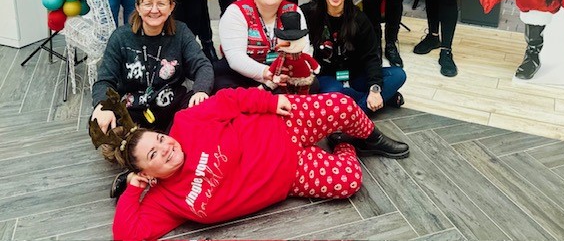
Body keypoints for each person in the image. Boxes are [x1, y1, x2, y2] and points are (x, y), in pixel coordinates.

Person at [96, 88, 408, 240]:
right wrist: (131, 192)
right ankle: (343, 142)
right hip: (291, 175)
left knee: (342, 104)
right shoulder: (164, 202)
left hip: (282, 125)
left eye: (159, 140)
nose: (165, 148)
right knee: (349, 181)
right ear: (143, 173)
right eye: (153, 155)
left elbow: (229, 99)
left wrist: (271, 102)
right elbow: (127, 235)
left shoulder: (186, 122)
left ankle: (370, 137)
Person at [90, 0, 214, 136]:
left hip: (171, 105)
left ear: (171, 8)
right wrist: (103, 105)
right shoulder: (120, 37)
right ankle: (163, 141)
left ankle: (165, 141)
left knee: (205, 108)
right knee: (103, 126)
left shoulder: (181, 31)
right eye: (148, 4)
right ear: (138, 7)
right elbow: (104, 80)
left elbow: (202, 65)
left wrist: (201, 91)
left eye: (161, 4)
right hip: (132, 109)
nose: (154, 10)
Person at [302, 0, 406, 114]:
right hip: (327, 76)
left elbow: (372, 57)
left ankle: (354, 113)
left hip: (357, 75)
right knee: (332, 94)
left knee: (398, 75)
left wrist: (375, 89)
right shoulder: (309, 12)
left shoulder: (360, 19)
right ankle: (376, 101)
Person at [214, 0, 309, 90]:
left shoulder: (293, 11)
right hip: (241, 74)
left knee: (310, 85)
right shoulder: (236, 11)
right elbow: (236, 57)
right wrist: (266, 73)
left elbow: (303, 50)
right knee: (225, 88)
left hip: (282, 73)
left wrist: (284, 74)